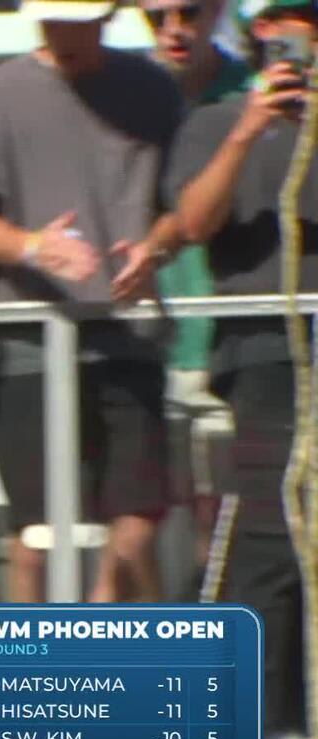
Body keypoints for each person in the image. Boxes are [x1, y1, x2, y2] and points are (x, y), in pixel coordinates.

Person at [0, 0, 185, 605]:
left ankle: (119, 665)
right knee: (38, 538)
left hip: (128, 336)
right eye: (52, 18)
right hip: (30, 343)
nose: (61, 31)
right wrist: (32, 248)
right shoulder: (0, 91)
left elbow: (186, 209)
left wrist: (153, 249)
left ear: (105, 18)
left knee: (134, 528)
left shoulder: (154, 90)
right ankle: (35, 691)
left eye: (76, 17)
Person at [167, 0, 314, 739]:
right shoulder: (215, 123)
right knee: (269, 531)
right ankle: (256, 722)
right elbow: (194, 224)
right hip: (263, 352)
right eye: (271, 26)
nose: (287, 39)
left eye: (302, 25)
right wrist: (253, 127)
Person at [141, 0, 253, 573]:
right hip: (147, 340)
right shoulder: (128, 91)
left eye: (188, 13)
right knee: (156, 517)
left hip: (239, 334)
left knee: (236, 507)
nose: (173, 31)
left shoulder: (254, 90)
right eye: (155, 18)